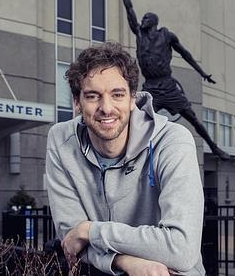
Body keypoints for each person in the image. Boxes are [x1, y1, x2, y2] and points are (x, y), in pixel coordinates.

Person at [46, 42, 206, 275]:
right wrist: (123, 261)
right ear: (77, 102)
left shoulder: (172, 141)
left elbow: (181, 249)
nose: (106, 108)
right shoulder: (61, 141)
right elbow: (71, 239)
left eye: (117, 94)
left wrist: (90, 231)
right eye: (93, 96)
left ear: (133, 99)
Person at [106, 0, 229, 160]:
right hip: (152, 88)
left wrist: (202, 73)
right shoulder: (140, 35)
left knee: (192, 118)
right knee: (134, 119)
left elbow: (186, 54)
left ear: (154, 22)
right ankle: (124, 153)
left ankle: (214, 147)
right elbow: (129, 9)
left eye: (146, 18)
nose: (142, 20)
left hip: (168, 85)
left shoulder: (167, 35)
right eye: (143, 17)